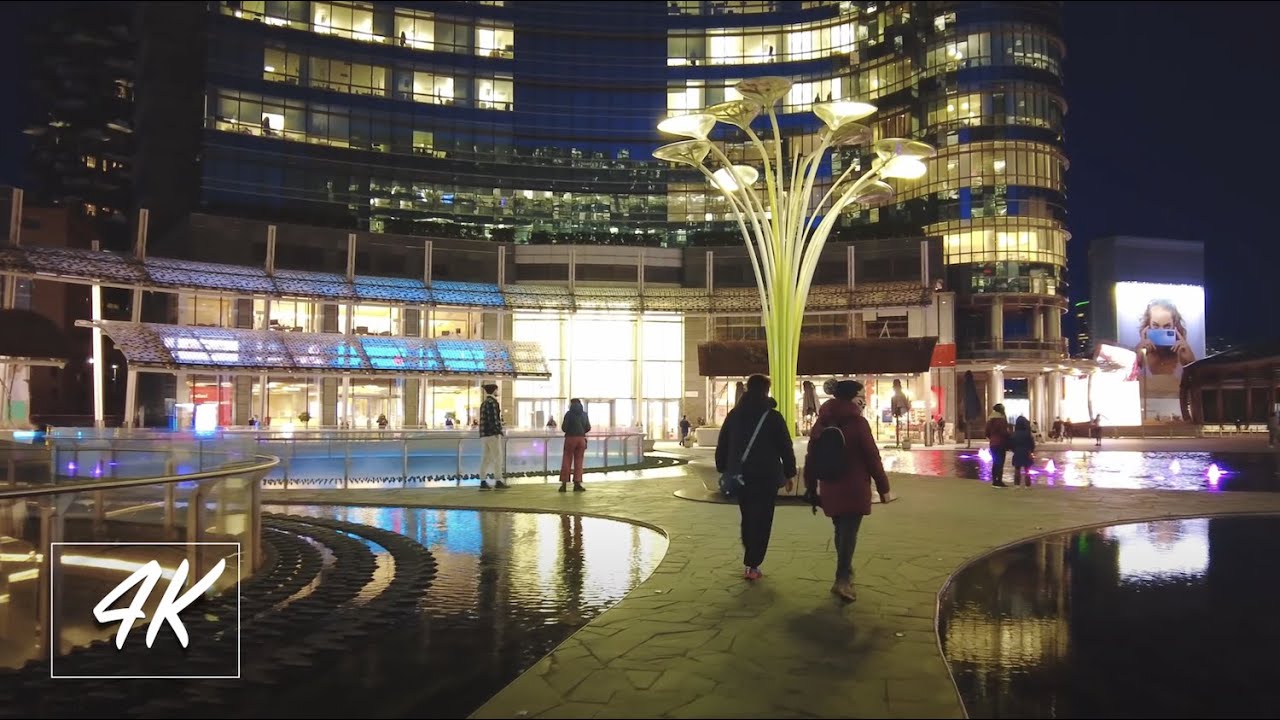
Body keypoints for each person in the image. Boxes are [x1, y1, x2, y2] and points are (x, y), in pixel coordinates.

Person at [803, 380, 893, 602]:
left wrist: (810, 486)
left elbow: (811, 456)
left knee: (840, 530)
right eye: (861, 394)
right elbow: (872, 457)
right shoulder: (858, 423)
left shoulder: (822, 422)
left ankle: (845, 573)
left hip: (830, 485)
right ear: (853, 397)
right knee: (849, 532)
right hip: (854, 486)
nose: (863, 398)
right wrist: (884, 488)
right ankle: (842, 578)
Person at [715, 373, 796, 582]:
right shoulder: (773, 417)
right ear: (766, 391)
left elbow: (722, 443)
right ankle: (753, 563)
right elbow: (785, 447)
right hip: (766, 477)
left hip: (742, 477)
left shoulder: (734, 415)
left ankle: (750, 556)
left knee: (748, 515)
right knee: (763, 519)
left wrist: (723, 467)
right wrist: (789, 473)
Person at [1135, 299, 1196, 376]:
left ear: (1174, 326)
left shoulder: (1182, 351)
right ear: (1148, 325)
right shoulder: (1139, 351)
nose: (1161, 331)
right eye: (1156, 325)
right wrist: (1139, 357)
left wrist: (1190, 361)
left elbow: (1198, 383)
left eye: (1167, 326)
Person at [478, 382, 507, 489]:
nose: (497, 392)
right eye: (496, 390)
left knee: (485, 458)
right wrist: (498, 430)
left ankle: (482, 480)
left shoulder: (484, 403)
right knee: (497, 457)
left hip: (484, 434)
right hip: (492, 434)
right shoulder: (493, 403)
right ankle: (498, 480)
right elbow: (493, 419)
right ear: (494, 391)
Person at [558, 399, 591, 492]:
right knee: (579, 461)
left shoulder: (568, 414)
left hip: (570, 439)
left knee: (566, 460)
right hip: (581, 439)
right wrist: (581, 431)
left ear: (571, 404)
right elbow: (588, 427)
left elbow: (564, 428)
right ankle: (577, 484)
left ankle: (564, 485)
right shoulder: (584, 414)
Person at [985, 403, 1011, 487]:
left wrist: (992, 438)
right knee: (1000, 462)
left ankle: (994, 480)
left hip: (993, 444)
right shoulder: (1002, 420)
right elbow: (1004, 433)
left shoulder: (990, 420)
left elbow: (987, 433)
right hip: (1001, 443)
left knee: (995, 462)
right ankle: (999, 480)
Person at [1009, 416, 1036, 487]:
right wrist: (1031, 451)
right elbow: (1032, 444)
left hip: (1017, 452)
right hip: (1026, 452)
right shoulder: (1027, 434)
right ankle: (1027, 484)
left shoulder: (1014, 434)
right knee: (1027, 469)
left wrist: (1014, 450)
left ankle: (1017, 484)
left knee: (1017, 469)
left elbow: (1011, 444)